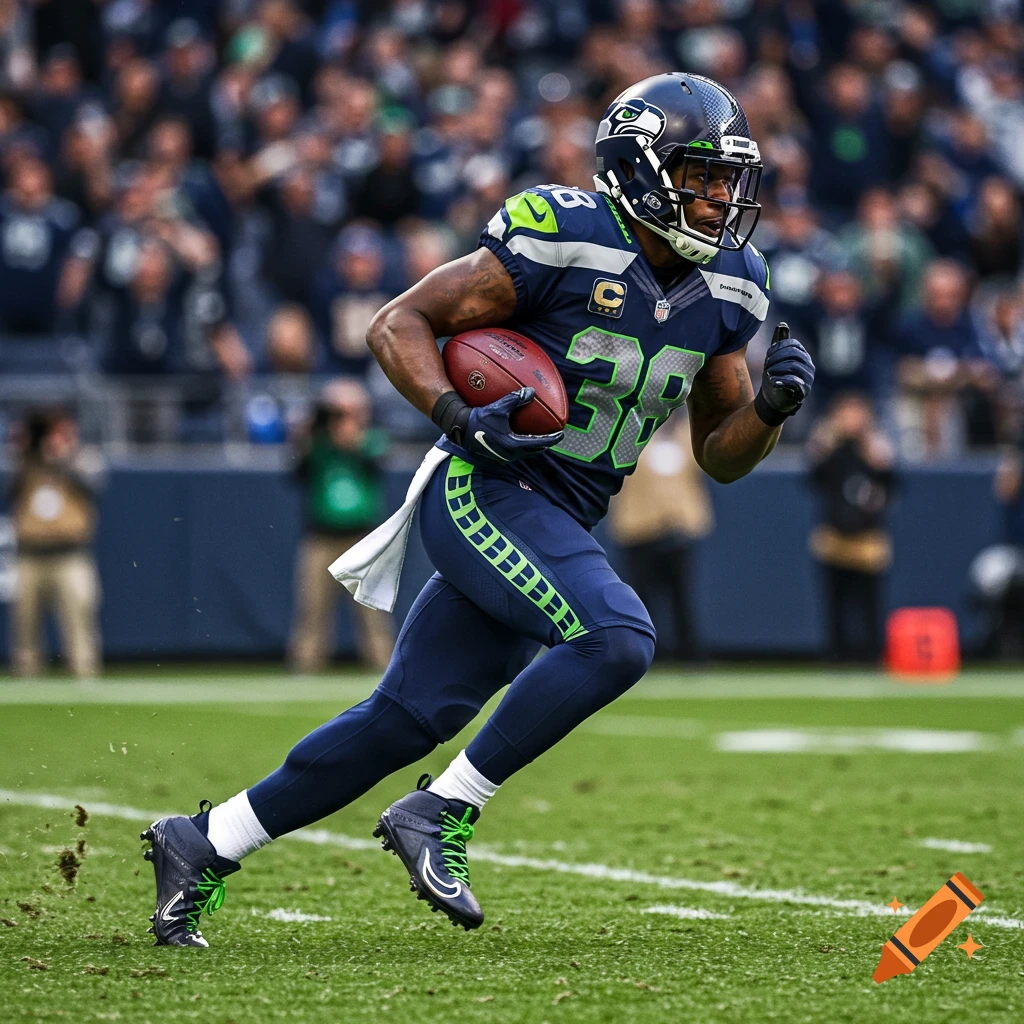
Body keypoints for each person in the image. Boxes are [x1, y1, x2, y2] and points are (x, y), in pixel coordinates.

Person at [141, 73, 815, 946]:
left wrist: (770, 411)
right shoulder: (565, 235)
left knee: (407, 718)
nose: (721, 197)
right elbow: (397, 323)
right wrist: (459, 416)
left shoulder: (733, 282)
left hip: (562, 516)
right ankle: (442, 810)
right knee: (617, 636)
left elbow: (721, 454)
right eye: (702, 174)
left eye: (729, 179)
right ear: (640, 170)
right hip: (486, 488)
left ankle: (202, 842)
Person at [288, 379, 395, 673]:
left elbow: (376, 462)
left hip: (362, 538)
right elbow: (297, 472)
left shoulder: (371, 439)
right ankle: (306, 665)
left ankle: (384, 665)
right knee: (312, 607)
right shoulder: (316, 444)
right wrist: (306, 434)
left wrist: (352, 438)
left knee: (372, 610)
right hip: (320, 537)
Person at [608, 413, 713, 663]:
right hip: (639, 529)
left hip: (679, 528)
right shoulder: (631, 438)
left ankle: (689, 653)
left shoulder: (687, 438)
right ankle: (645, 653)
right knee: (641, 597)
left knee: (682, 595)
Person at [8, 409, 105, 678]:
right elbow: (8, 489)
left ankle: (84, 672)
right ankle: (26, 673)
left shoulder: (83, 458)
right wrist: (23, 452)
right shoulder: (25, 460)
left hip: (70, 555)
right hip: (29, 554)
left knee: (78, 615)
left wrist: (63, 458)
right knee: (24, 619)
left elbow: (93, 487)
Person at [806, 393, 896, 663]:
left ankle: (871, 654)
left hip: (868, 538)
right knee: (835, 602)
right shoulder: (832, 448)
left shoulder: (874, 447)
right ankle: (837, 655)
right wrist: (823, 445)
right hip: (835, 535)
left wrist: (879, 457)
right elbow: (814, 480)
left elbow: (892, 485)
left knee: (869, 603)